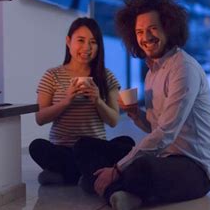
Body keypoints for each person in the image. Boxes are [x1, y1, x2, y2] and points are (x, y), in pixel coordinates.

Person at [74, 0, 210, 210]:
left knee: (139, 167)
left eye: (152, 28)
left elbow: (166, 133)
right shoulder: (152, 71)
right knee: (84, 146)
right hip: (163, 156)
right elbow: (155, 127)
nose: (145, 37)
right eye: (139, 32)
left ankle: (108, 186)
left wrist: (117, 168)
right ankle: (123, 192)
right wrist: (136, 115)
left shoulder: (184, 68)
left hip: (193, 169)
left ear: (167, 28)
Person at [29, 17, 135, 186]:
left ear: (98, 46)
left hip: (92, 147)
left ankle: (65, 176)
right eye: (81, 40)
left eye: (93, 42)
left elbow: (114, 120)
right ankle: (87, 175)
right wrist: (66, 101)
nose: (87, 47)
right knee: (37, 146)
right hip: (63, 149)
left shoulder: (106, 77)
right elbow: (40, 118)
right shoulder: (52, 75)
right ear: (68, 41)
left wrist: (97, 100)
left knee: (126, 143)